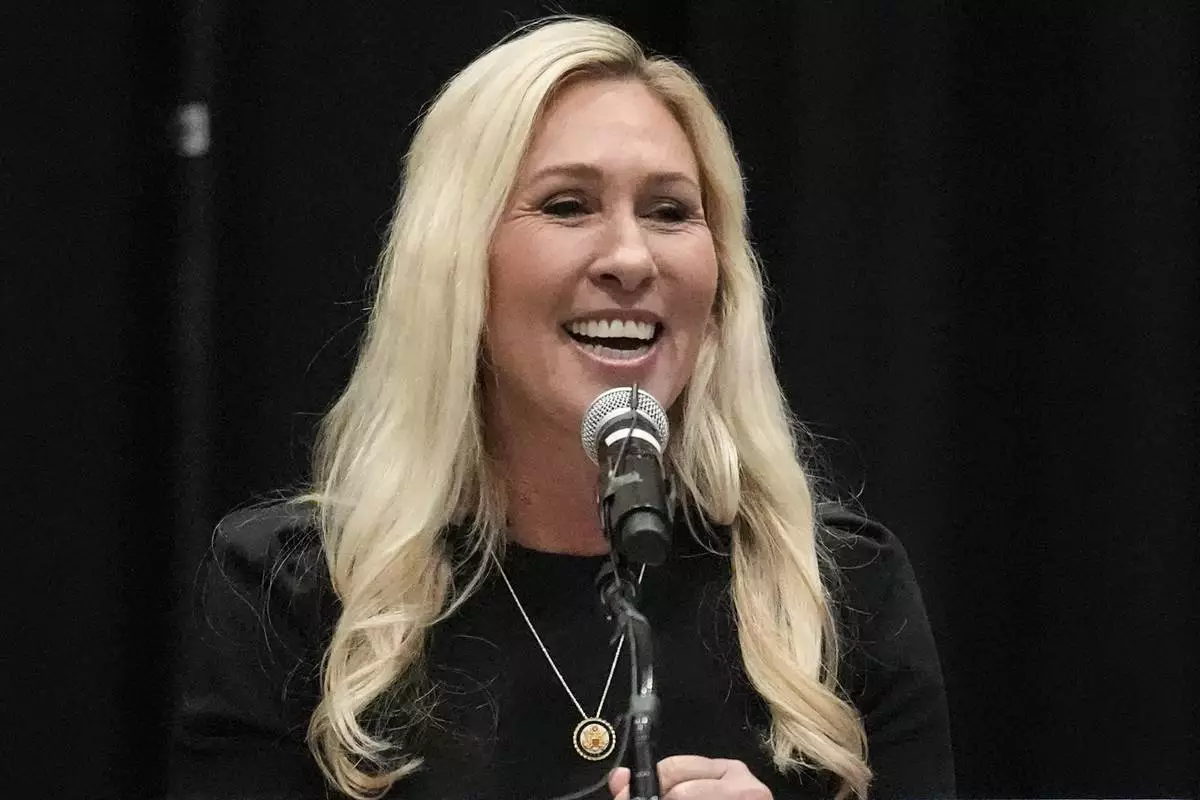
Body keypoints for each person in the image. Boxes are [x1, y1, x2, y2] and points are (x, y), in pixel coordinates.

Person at [168, 16, 954, 800]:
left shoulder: (840, 594)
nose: (630, 258)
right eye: (569, 206)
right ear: (457, 265)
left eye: (671, 211)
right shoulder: (295, 596)